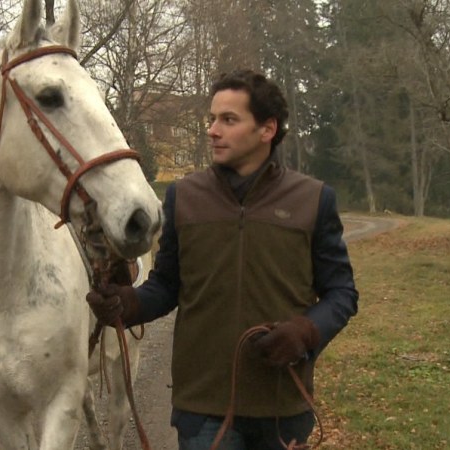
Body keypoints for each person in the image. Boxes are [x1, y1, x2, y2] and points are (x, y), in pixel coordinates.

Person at [86, 69, 358, 450]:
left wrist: (306, 332)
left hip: (282, 404)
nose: (213, 130)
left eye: (228, 120)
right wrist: (127, 303)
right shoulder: (184, 197)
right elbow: (166, 287)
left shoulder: (313, 200)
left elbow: (342, 293)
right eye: (212, 119)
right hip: (203, 409)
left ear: (267, 129)